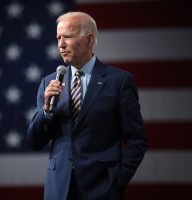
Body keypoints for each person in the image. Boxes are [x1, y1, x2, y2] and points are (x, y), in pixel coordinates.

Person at [27, 11, 147, 200]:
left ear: (89, 40)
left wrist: (118, 179)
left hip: (102, 188)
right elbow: (34, 141)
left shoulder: (119, 81)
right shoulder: (48, 82)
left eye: (67, 36)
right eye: (58, 38)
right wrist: (47, 111)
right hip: (59, 188)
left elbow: (136, 139)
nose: (61, 44)